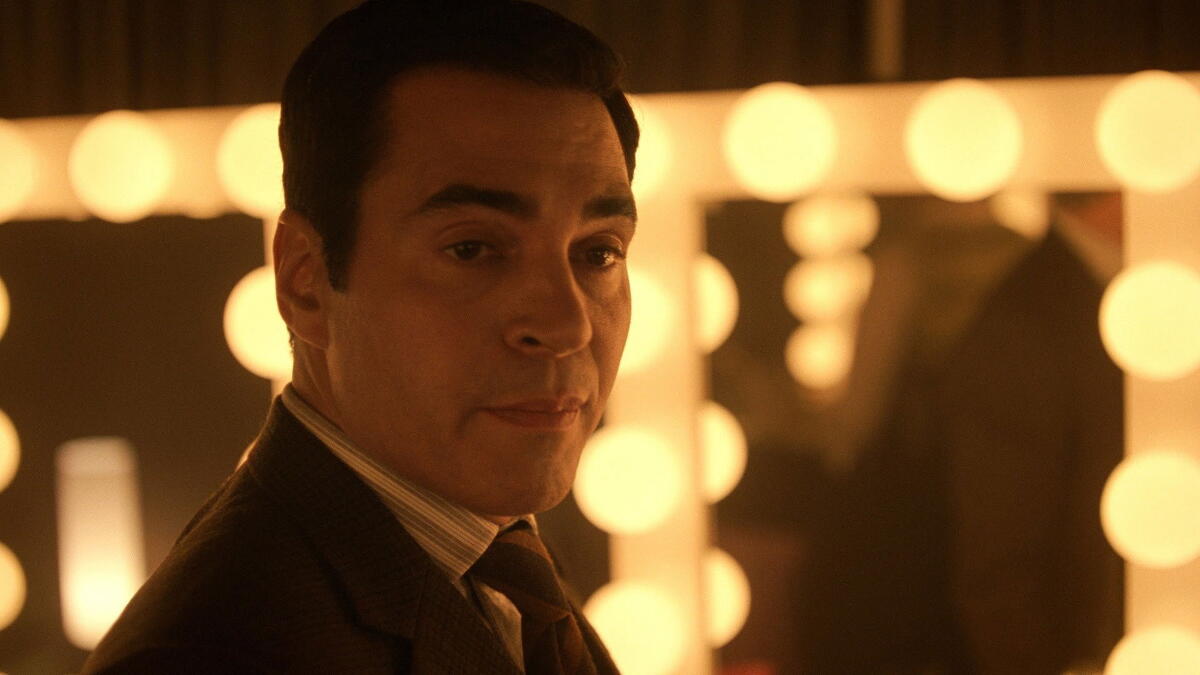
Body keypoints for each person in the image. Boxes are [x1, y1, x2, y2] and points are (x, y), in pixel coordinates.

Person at [83, 1, 638, 672]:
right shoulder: (209, 654)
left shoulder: (498, 562)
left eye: (599, 252)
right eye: (471, 248)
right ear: (305, 282)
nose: (567, 324)